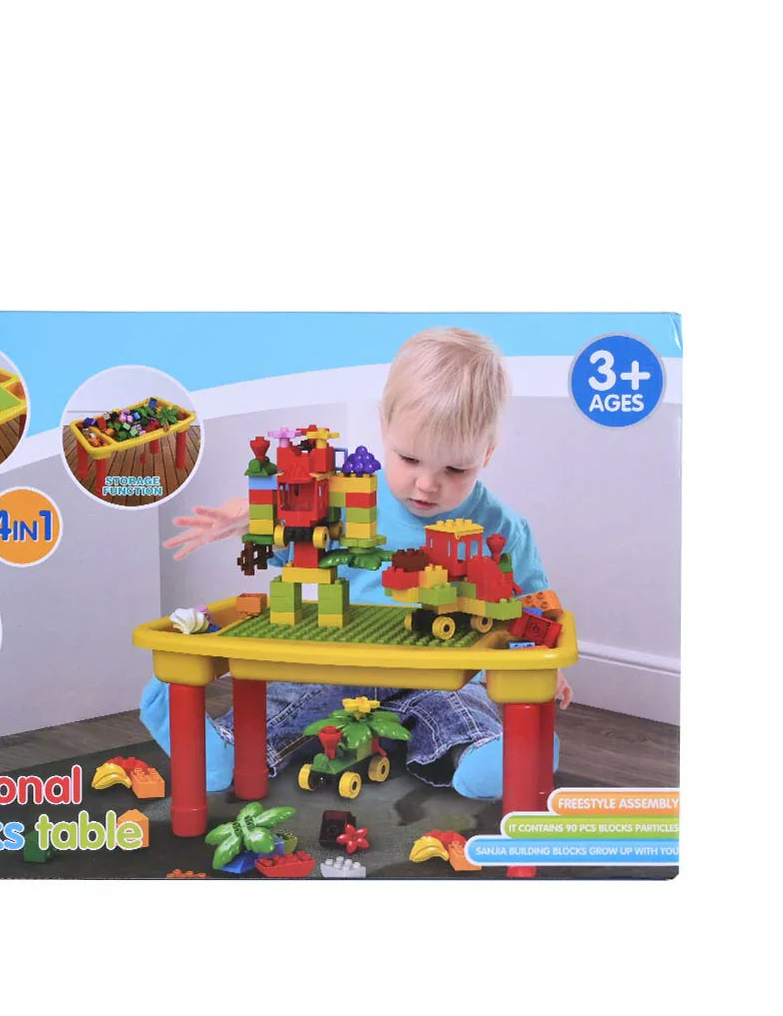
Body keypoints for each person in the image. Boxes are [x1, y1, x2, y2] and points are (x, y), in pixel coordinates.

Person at [141, 327, 571, 799]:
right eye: (409, 459)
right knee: (290, 696)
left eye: (455, 469)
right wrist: (251, 521)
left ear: (487, 454)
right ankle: (220, 747)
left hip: (443, 674)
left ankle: (502, 754)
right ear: (384, 428)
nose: (427, 484)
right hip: (342, 666)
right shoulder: (347, 498)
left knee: (464, 707)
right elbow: (291, 546)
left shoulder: (503, 528)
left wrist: (543, 666)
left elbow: (534, 608)